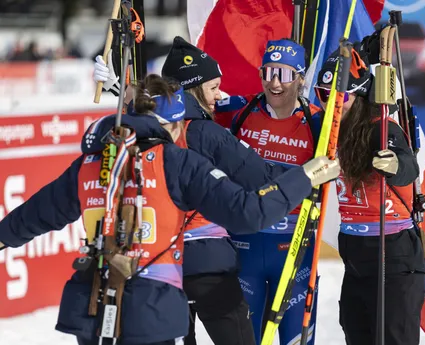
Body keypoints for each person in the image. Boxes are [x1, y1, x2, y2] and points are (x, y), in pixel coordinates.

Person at [0, 74, 340, 345]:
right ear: (175, 125)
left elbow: (36, 214)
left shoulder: (91, 161)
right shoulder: (176, 161)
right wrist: (303, 177)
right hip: (150, 310)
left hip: (92, 306)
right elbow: (248, 212)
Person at [93, 37, 288, 345]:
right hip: (208, 262)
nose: (219, 95)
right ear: (192, 89)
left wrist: (120, 91)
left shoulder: (139, 131)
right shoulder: (205, 132)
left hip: (159, 261)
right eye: (212, 87)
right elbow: (259, 177)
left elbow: (131, 117)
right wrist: (306, 173)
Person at [214, 38, 323, 345]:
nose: (275, 83)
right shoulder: (241, 111)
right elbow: (184, 107)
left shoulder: (318, 121)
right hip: (244, 243)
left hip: (294, 248)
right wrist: (125, 88)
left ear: (301, 78)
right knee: (245, 338)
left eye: (285, 74)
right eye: (268, 73)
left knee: (295, 339)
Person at [315, 47, 425, 345]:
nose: (331, 105)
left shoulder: (381, 127)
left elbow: (408, 167)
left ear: (359, 94)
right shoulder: (330, 131)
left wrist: (393, 165)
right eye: (323, 95)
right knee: (356, 332)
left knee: (392, 337)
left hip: (392, 252)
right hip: (355, 253)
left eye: (339, 97)